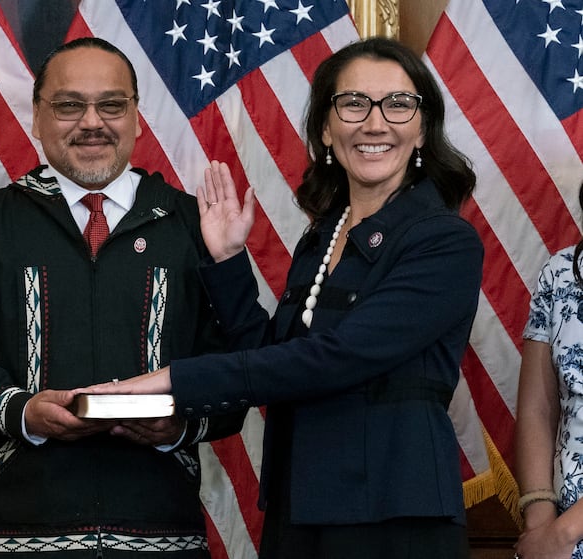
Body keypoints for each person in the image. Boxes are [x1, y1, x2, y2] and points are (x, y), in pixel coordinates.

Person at [88, 37, 483, 559]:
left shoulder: (445, 240)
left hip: (393, 518)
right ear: (326, 128)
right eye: (353, 103)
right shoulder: (323, 236)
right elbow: (275, 359)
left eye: (398, 104)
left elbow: (336, 359)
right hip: (298, 510)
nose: (375, 123)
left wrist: (176, 380)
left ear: (423, 129)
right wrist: (228, 260)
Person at [0, 37, 242, 558]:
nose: (92, 122)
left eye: (111, 105)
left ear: (137, 117)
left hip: (161, 534)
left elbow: (237, 368)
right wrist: (23, 411)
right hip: (16, 536)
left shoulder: (193, 225)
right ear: (37, 117)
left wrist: (179, 424)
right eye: (69, 105)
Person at [514, 183, 583, 559]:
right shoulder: (560, 274)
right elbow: (537, 409)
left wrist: (566, 531)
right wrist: (540, 521)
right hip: (556, 540)